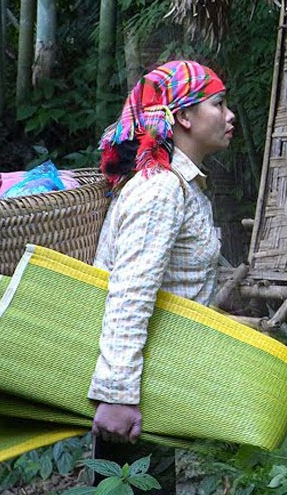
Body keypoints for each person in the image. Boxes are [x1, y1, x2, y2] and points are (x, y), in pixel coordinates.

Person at [88, 60, 236, 490]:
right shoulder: (160, 190)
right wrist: (117, 396)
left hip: (156, 388)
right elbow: (130, 293)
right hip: (134, 400)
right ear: (184, 116)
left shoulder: (181, 186)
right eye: (219, 104)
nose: (230, 116)